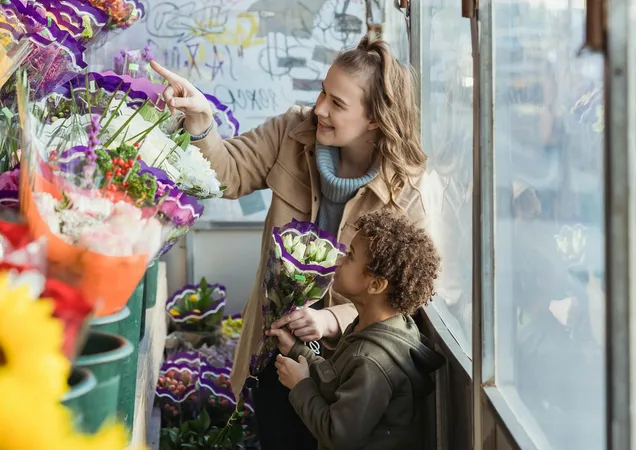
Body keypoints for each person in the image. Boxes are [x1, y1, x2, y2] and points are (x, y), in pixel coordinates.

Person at [150, 35, 428, 450]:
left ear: (374, 119)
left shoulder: (404, 189)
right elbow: (228, 175)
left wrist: (332, 319)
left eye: (338, 103)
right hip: (275, 346)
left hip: (347, 368)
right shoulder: (292, 131)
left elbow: (404, 292)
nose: (319, 109)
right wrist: (202, 124)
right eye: (322, 92)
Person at [267, 210, 445, 450]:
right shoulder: (375, 326)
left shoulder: (373, 362)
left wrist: (301, 386)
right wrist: (297, 350)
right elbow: (338, 380)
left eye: (350, 256)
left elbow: (338, 436)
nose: (339, 258)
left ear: (375, 285)